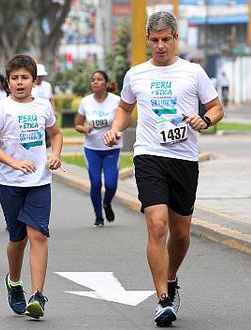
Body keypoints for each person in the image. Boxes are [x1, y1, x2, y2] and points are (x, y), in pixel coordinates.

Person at [103, 11, 223, 327]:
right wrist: (116, 128)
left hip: (183, 159)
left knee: (181, 233)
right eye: (154, 40)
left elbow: (216, 108)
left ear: (175, 39)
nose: (160, 46)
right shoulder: (136, 74)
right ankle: (163, 300)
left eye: (165, 40)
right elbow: (125, 108)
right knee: (157, 225)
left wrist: (205, 120)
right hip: (149, 156)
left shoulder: (193, 72)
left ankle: (171, 277)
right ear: (148, 40)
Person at [0, 54, 63, 320]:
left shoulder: (43, 106)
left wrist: (56, 154)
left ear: (34, 81)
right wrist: (13, 162)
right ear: (8, 82)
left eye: (25, 78)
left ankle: (37, 294)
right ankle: (14, 281)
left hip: (39, 182)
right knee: (17, 241)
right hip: (10, 182)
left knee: (38, 236)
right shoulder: (1, 108)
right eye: (15, 78)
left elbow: (56, 134)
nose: (20, 83)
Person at [75, 71, 121, 227]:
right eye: (93, 80)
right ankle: (99, 217)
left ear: (106, 84)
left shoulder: (116, 101)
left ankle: (107, 203)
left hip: (112, 149)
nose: (95, 82)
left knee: (110, 184)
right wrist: (84, 129)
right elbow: (78, 124)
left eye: (99, 80)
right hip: (92, 148)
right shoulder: (86, 102)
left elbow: (123, 120)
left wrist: (117, 132)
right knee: (95, 183)